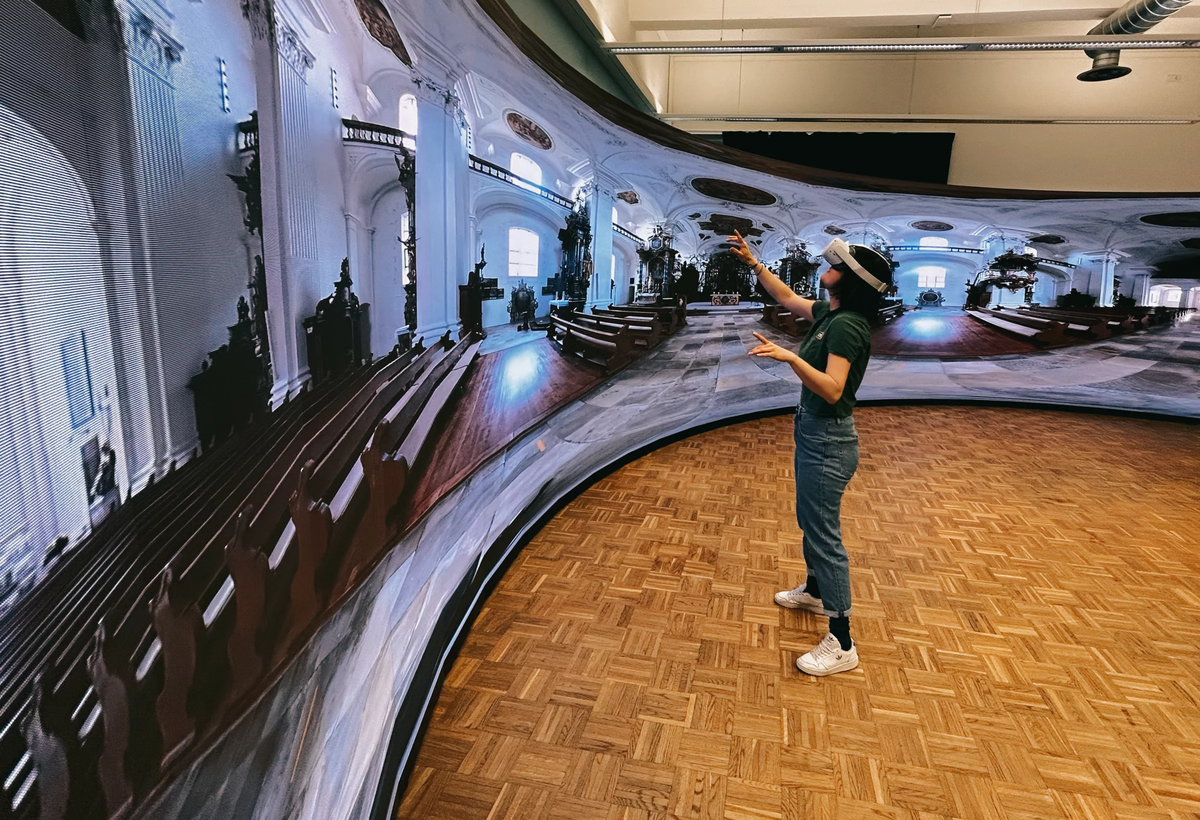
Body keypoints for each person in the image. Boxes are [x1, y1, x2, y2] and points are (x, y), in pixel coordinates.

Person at [729, 231, 894, 676]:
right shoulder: (829, 313)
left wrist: (790, 358)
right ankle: (816, 591)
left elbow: (834, 388)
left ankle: (842, 640)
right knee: (811, 520)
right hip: (814, 432)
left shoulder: (847, 325)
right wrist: (753, 263)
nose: (828, 268)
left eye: (836, 265)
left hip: (828, 440)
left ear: (851, 280)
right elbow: (785, 295)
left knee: (824, 533)